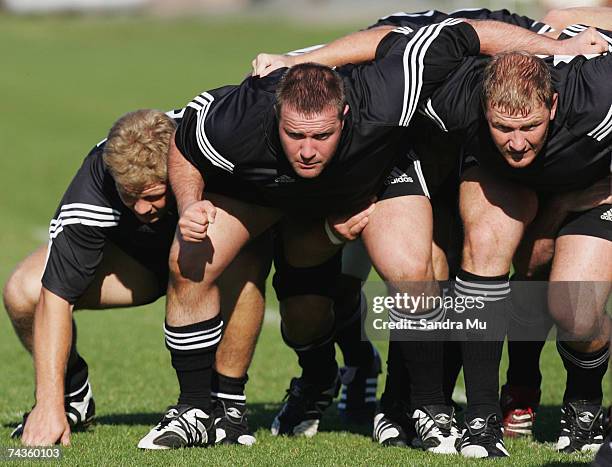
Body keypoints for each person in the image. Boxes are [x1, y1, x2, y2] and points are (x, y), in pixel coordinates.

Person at [136, 18, 606, 454]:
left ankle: (428, 406)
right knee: (203, 263)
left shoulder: (390, 91)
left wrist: (557, 47)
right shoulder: (241, 115)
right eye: (294, 134)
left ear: (344, 113)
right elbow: (184, 142)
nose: (306, 150)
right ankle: (200, 406)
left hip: (372, 185)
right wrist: (192, 202)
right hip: (274, 195)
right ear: (275, 116)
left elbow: (450, 33)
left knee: (414, 269)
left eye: (320, 135)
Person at [2, 109, 272, 447]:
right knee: (23, 290)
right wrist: (48, 403)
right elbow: (57, 297)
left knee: (245, 258)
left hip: (210, 253)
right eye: (129, 195)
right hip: (139, 267)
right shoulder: (95, 184)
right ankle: (73, 397)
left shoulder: (210, 143)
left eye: (152, 195)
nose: (141, 208)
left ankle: (228, 406)